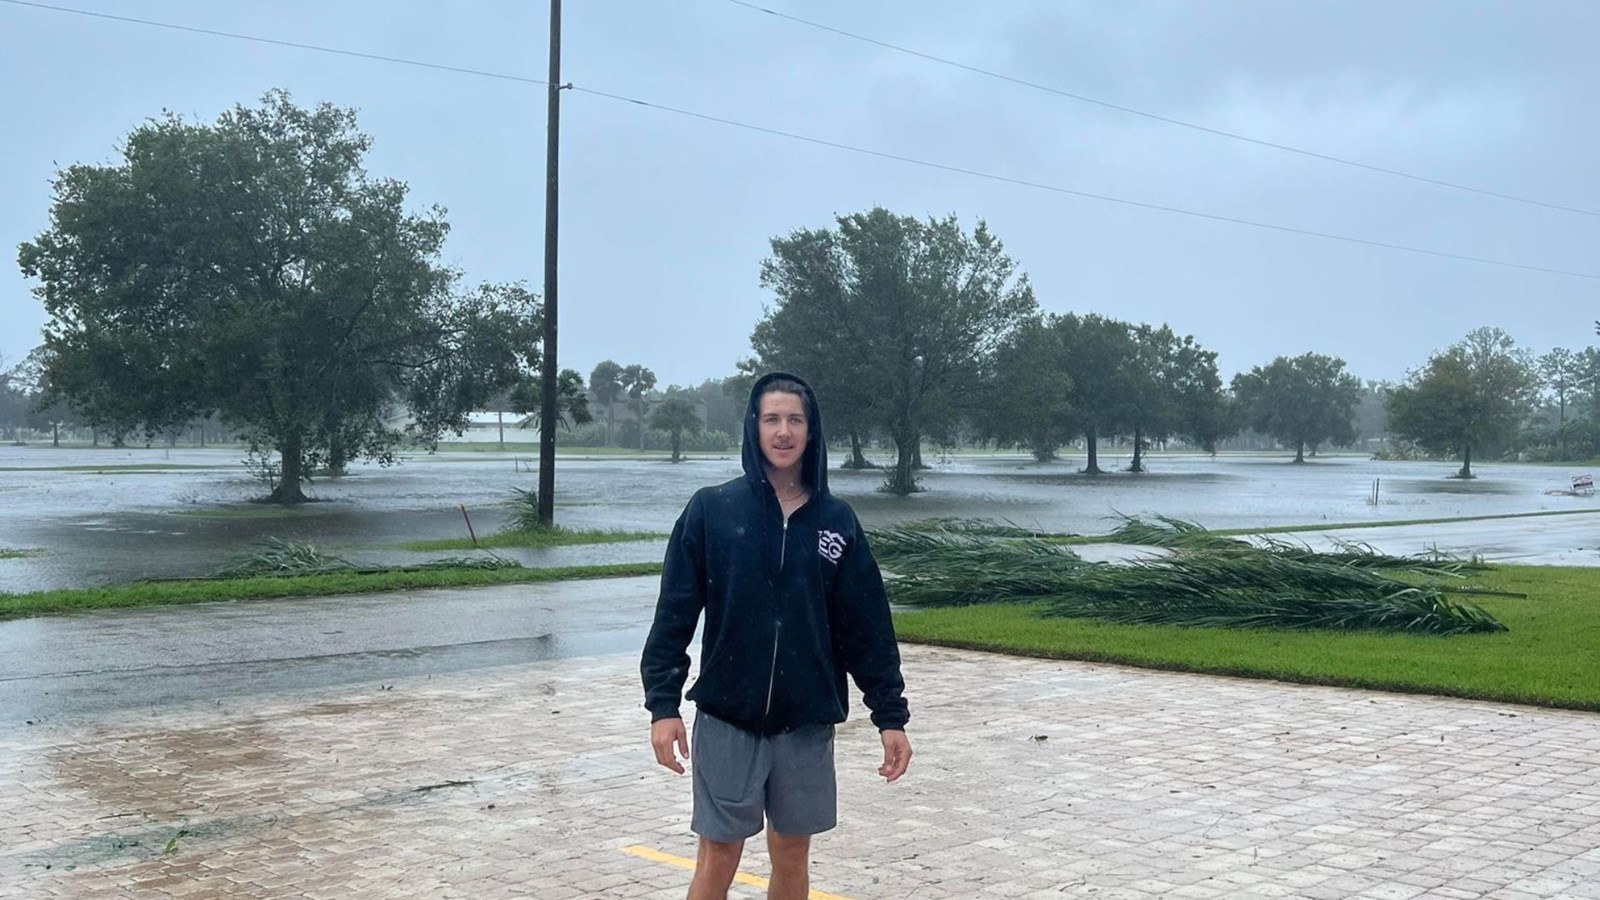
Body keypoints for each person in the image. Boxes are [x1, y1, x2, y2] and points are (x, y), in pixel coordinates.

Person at [641, 372, 912, 900]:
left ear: (811, 432)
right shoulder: (711, 510)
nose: (783, 431)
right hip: (727, 717)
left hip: (805, 722)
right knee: (718, 854)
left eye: (795, 420)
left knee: (791, 853)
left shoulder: (837, 522)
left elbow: (868, 629)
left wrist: (891, 716)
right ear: (754, 427)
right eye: (772, 419)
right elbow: (674, 615)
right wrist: (663, 706)